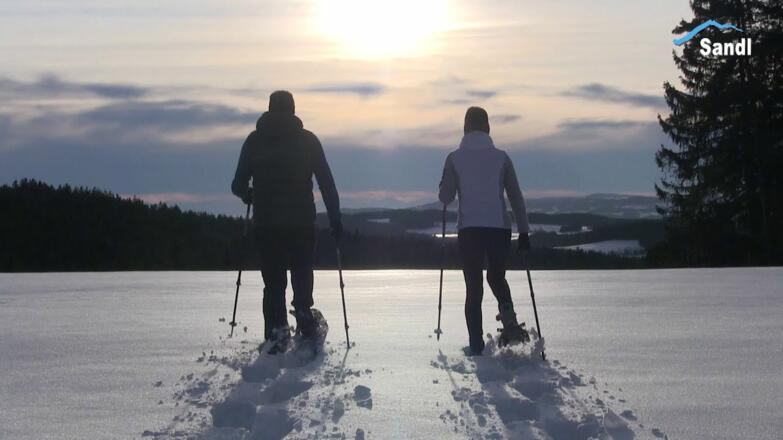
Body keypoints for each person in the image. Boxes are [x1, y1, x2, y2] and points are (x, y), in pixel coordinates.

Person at [232, 90, 342, 354]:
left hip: (266, 224)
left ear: (269, 109)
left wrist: (248, 194)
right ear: (293, 109)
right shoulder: (308, 141)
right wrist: (335, 219)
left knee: (273, 283)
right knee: (302, 275)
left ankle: (276, 335)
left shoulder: (254, 141)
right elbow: (326, 183)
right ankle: (304, 321)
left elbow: (237, 184)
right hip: (301, 223)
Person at [438, 106, 531, 356]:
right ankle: (510, 321)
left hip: (469, 230)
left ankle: (476, 347)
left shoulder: (454, 158)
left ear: (465, 127)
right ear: (488, 127)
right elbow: (515, 197)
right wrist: (523, 232)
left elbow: (446, 197)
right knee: (496, 277)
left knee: (474, 287)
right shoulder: (502, 158)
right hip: (499, 228)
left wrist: (444, 184)